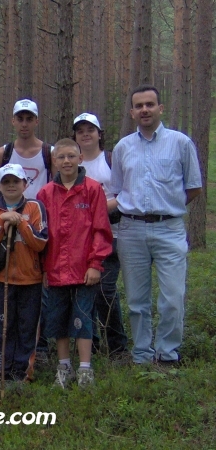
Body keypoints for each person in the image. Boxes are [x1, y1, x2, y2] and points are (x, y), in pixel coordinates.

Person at [110, 85, 202, 365]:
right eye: (139, 106)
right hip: (131, 230)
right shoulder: (122, 147)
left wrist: (167, 207)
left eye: (150, 104)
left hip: (169, 229)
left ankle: (167, 354)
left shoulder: (180, 143)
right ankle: (141, 354)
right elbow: (117, 191)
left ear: (161, 108)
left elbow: (194, 188)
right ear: (132, 112)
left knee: (172, 297)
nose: (145, 110)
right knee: (137, 301)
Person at [37, 139, 112, 388]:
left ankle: (85, 368)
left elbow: (100, 229)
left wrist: (95, 263)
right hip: (56, 269)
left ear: (80, 158)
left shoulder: (92, 189)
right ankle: (64, 366)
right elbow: (42, 236)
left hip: (83, 270)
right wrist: (44, 268)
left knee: (82, 319)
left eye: (71, 156)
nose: (66, 161)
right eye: (61, 157)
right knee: (58, 319)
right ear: (54, 161)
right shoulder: (46, 193)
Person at [0, 164, 48, 382]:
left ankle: (23, 372)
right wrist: (3, 220)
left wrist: (21, 224)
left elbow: (41, 243)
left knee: (27, 327)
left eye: (16, 181)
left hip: (31, 279)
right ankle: (4, 371)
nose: (11, 186)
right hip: (2, 278)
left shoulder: (36, 206)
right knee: (2, 327)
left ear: (25, 184)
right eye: (6, 182)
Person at [72, 113, 128, 357]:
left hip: (110, 234)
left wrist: (100, 208)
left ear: (99, 133)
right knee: (83, 291)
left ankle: (117, 346)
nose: (86, 134)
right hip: (79, 239)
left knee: (106, 291)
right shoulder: (72, 162)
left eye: (90, 129)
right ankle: (90, 342)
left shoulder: (111, 160)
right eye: (80, 130)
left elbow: (127, 193)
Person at [0, 99, 53, 199]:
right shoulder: (2, 154)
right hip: (9, 213)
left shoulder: (50, 153)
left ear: (36, 121)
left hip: (41, 212)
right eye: (20, 119)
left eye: (29, 119)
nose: (24, 124)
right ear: (13, 121)